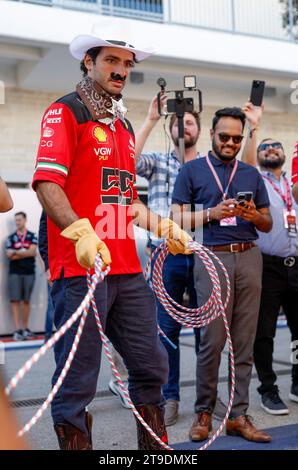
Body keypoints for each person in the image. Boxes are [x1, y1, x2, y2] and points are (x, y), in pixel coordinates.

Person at [32, 34, 192, 450]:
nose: (121, 70)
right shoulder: (66, 110)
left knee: (152, 365)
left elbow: (129, 200)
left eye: (127, 64)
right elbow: (48, 184)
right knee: (77, 378)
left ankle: (154, 452)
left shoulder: (121, 124)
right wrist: (81, 232)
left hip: (127, 269)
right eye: (111, 61)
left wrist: (165, 228)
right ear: (89, 61)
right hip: (81, 269)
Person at [172, 107, 273, 443]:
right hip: (212, 258)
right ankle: (204, 411)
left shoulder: (251, 174)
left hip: (249, 256)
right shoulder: (192, 171)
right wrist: (212, 213)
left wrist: (253, 216)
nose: (230, 142)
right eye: (224, 136)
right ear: (212, 134)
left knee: (244, 343)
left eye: (236, 138)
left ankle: (238, 414)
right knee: (212, 342)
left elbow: (268, 222)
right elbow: (177, 219)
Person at [135, 98, 201, 426]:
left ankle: (206, 400)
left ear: (199, 131)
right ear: (169, 128)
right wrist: (149, 119)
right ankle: (170, 395)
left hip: (203, 256)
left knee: (208, 328)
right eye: (178, 123)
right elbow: (126, 163)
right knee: (166, 329)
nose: (183, 127)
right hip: (166, 253)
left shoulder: (206, 166)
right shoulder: (159, 161)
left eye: (189, 122)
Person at [244, 139, 298, 414]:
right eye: (265, 146)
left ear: (285, 153)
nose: (271, 149)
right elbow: (246, 161)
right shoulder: (256, 180)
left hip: (296, 265)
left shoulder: (292, 185)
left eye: (276, 145)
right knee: (264, 333)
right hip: (268, 266)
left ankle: (297, 382)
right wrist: (254, 129)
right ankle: (268, 388)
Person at [6, 212, 37, 341]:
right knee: (15, 300)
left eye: (19, 220)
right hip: (14, 272)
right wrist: (25, 252)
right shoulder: (11, 237)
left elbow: (33, 252)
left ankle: (25, 329)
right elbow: (9, 254)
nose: (17, 222)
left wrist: (16, 252)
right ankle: (17, 330)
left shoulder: (32, 236)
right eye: (16, 220)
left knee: (26, 300)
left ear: (25, 220)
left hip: (29, 272)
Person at [38, 210, 55, 342]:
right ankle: (48, 336)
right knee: (51, 305)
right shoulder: (50, 203)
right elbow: (43, 236)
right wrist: (48, 266)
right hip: (57, 268)